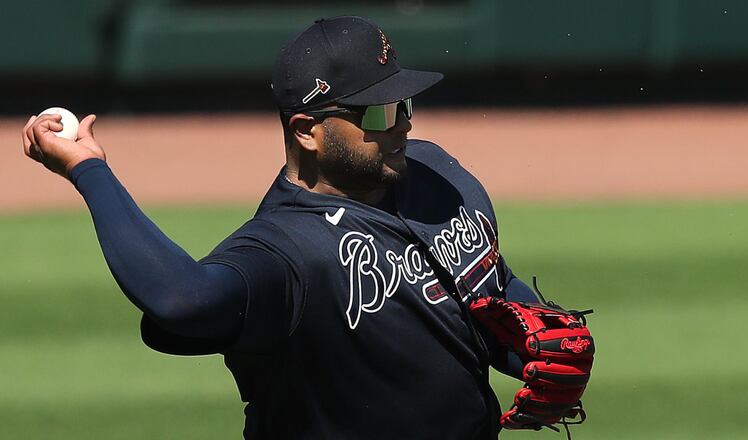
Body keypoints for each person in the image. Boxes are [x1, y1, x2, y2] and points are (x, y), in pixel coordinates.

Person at [22, 16, 546, 439]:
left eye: (404, 104)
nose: (403, 124)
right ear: (308, 131)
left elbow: (485, 287)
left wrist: (535, 347)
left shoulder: (432, 173)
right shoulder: (282, 251)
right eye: (379, 113)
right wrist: (88, 170)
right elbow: (181, 300)